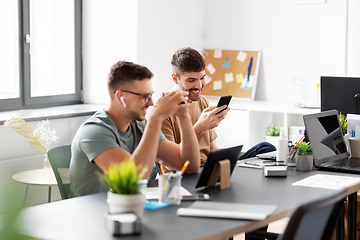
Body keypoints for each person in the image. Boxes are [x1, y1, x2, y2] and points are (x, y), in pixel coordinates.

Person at [70, 61, 200, 197]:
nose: (151, 103)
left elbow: (189, 165)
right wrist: (156, 118)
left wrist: (184, 117)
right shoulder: (94, 132)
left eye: (151, 95)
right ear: (121, 97)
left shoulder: (140, 125)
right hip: (95, 213)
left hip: (132, 208)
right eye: (145, 97)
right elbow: (134, 179)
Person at [152, 47, 275, 173]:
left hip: (208, 168)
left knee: (266, 148)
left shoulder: (201, 101)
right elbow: (173, 165)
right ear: (174, 78)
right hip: (183, 174)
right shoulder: (161, 111)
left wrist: (231, 159)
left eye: (202, 78)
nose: (199, 85)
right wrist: (199, 128)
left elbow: (211, 149)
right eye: (191, 80)